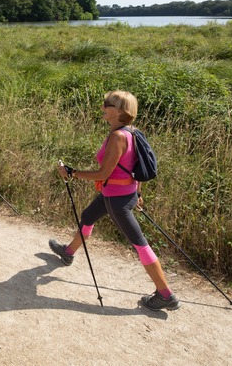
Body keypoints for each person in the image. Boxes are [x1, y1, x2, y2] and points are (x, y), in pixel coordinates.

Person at [48, 90, 180, 311]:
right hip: (119, 194)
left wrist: (72, 172)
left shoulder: (118, 137)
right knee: (88, 216)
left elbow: (102, 174)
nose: (103, 108)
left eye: (107, 105)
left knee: (140, 244)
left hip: (117, 200)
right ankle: (68, 252)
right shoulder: (132, 132)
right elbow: (135, 167)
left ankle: (166, 294)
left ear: (119, 111)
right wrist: (137, 192)